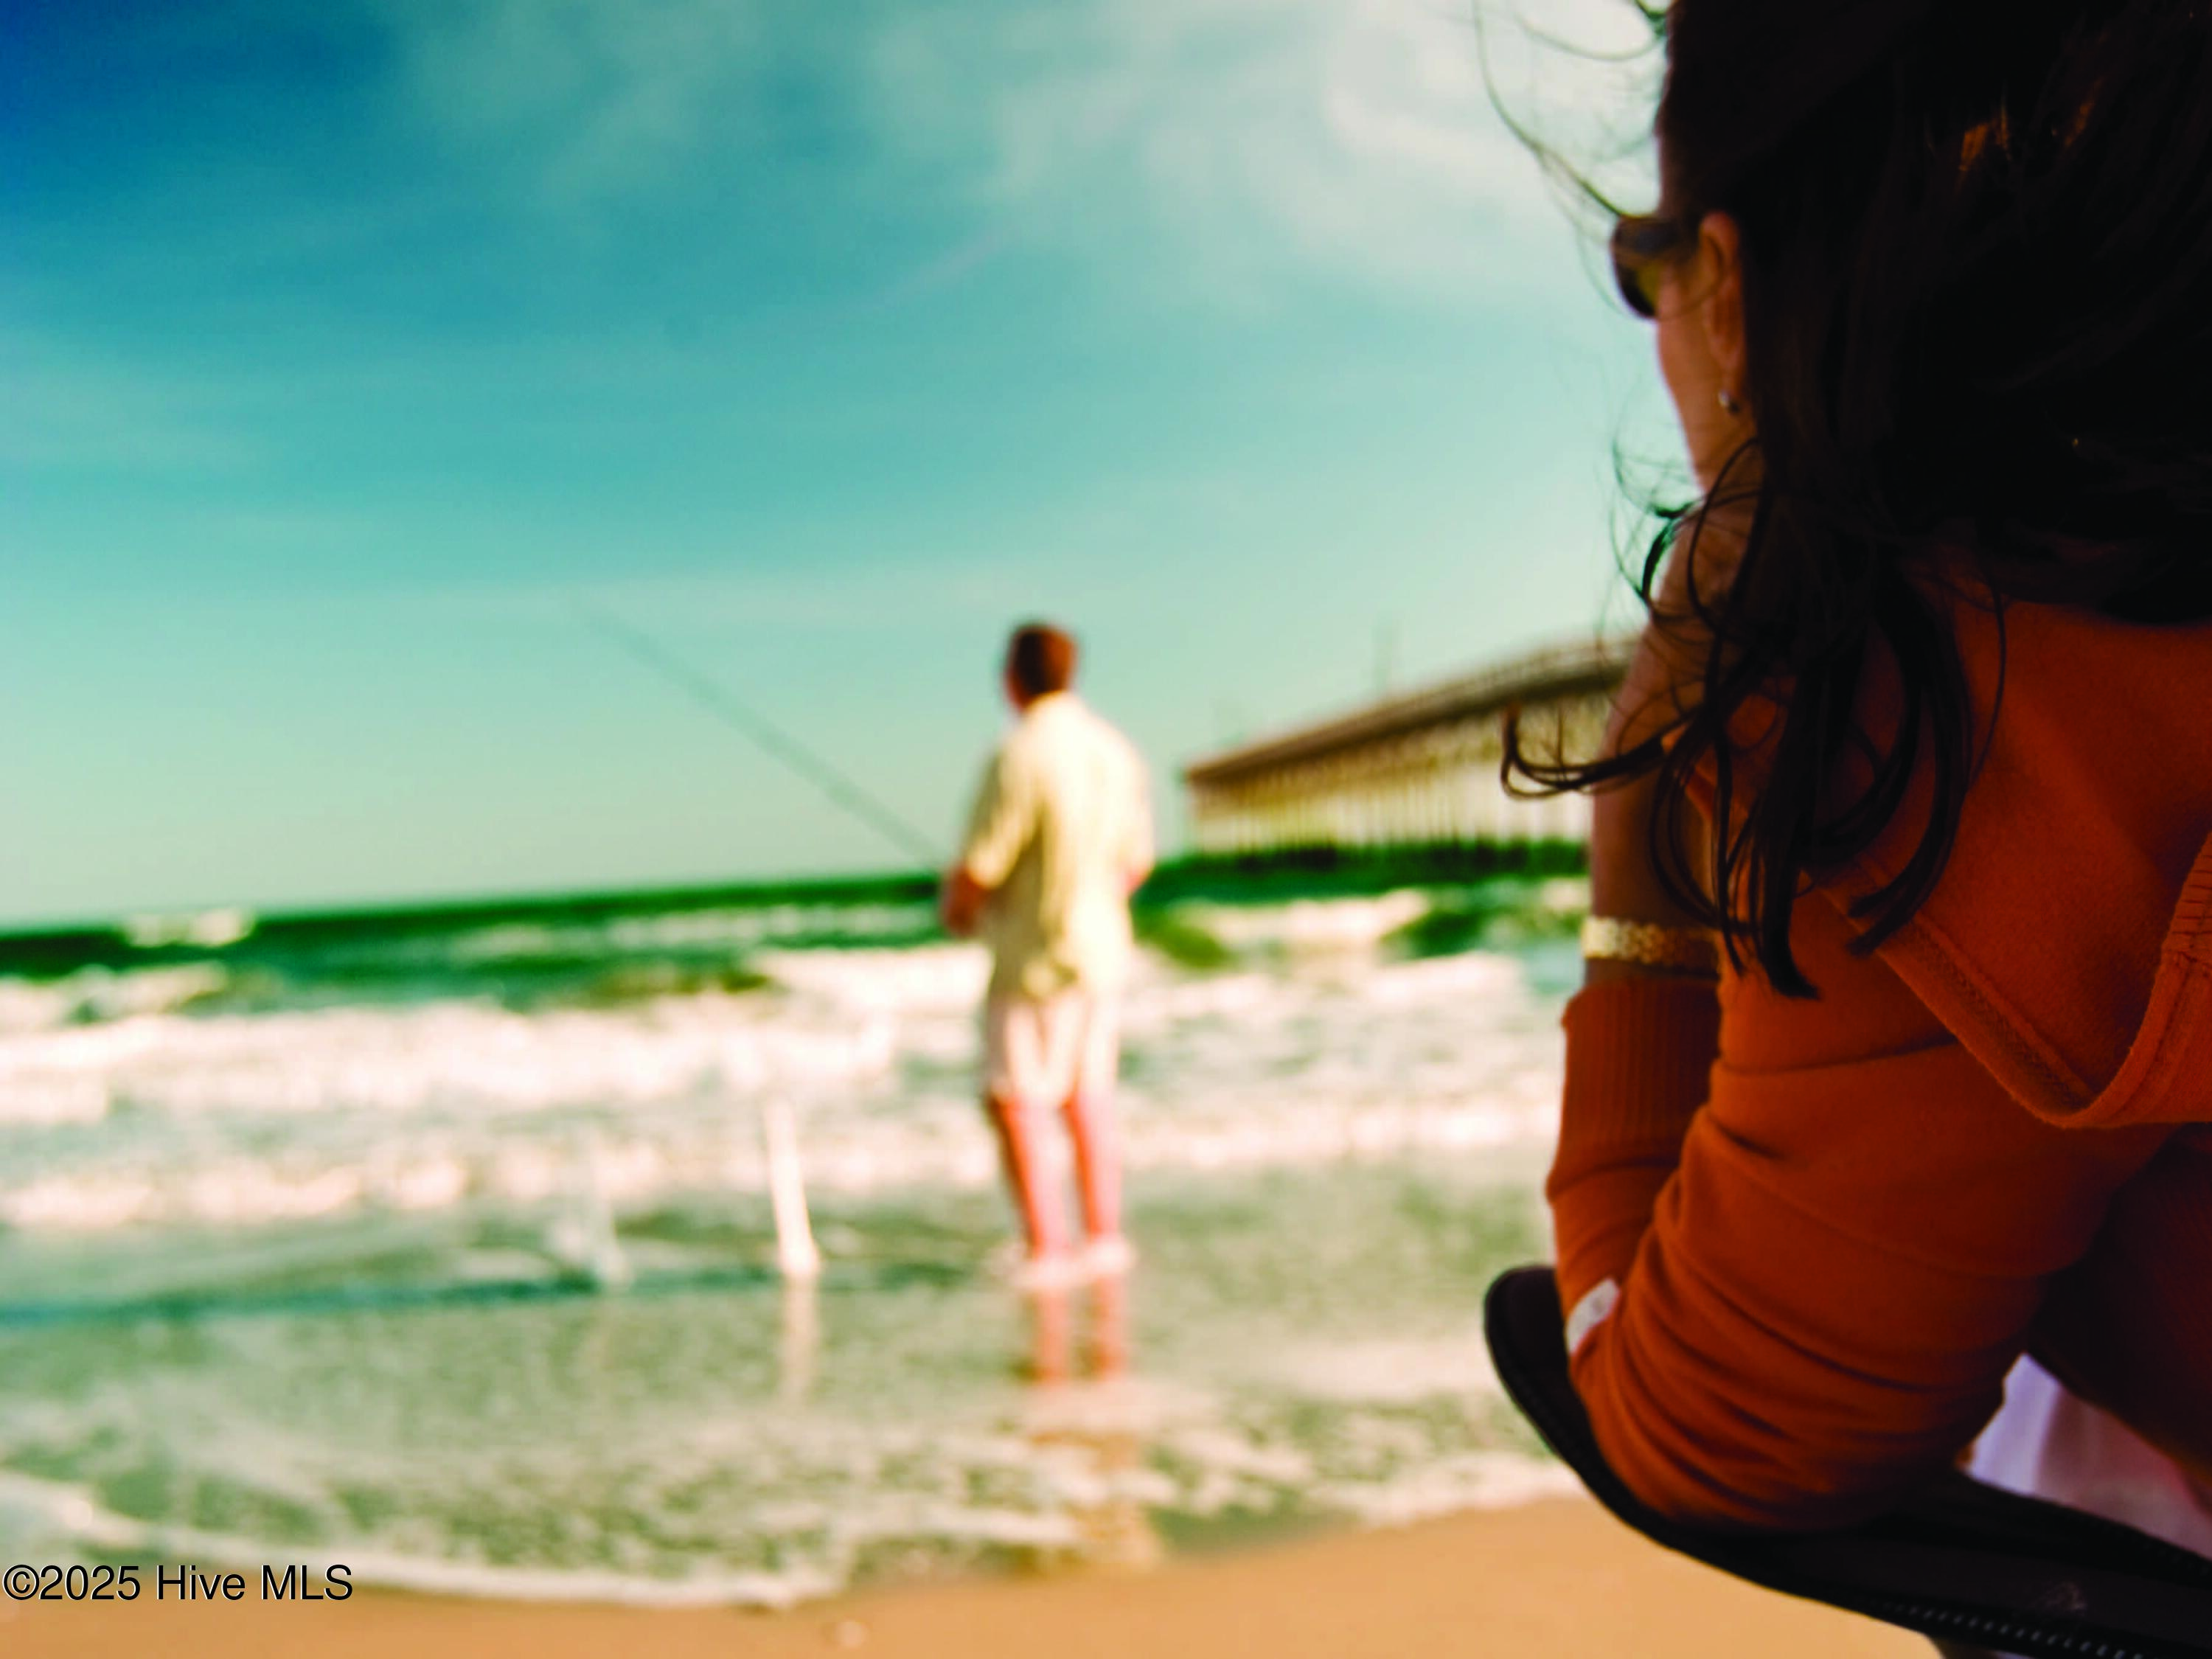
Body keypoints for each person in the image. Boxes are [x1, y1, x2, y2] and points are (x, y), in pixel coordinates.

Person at [1522, 0, 2212, 1544]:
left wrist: (1643, 829)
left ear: (1743, 275)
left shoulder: (1968, 702)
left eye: (1651, 265)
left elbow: (1708, 1438)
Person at [942, 622, 1152, 1289]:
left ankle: (1048, 1247)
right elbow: (1137, 862)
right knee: (1087, 1095)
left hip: (1034, 957)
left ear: (1013, 676)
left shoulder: (1019, 755)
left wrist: (957, 907)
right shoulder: (1115, 752)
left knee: (1016, 1100)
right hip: (1102, 953)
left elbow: (983, 863)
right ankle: (1105, 1238)